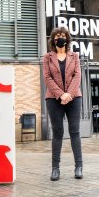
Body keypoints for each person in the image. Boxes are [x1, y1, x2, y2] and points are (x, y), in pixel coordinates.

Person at [43, 26, 83, 181]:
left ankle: (79, 166)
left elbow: (77, 75)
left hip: (74, 98)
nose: (60, 38)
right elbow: (47, 78)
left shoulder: (75, 56)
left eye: (62, 36)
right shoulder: (48, 57)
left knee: (75, 131)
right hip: (53, 99)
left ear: (67, 39)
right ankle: (55, 168)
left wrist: (69, 94)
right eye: (57, 36)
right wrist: (61, 95)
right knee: (57, 132)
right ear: (53, 40)